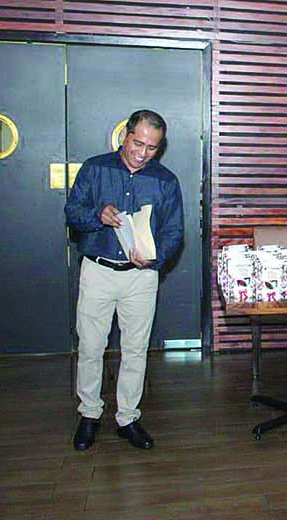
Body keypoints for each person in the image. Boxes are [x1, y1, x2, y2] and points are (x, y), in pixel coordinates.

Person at [65, 109, 184, 450]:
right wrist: (97, 215)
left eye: (152, 147)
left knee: (135, 350)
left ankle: (128, 418)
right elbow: (72, 212)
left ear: (160, 147)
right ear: (125, 136)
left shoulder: (165, 180)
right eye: (138, 143)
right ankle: (89, 414)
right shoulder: (95, 168)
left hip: (141, 277)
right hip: (98, 270)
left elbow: (174, 231)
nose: (142, 153)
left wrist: (155, 257)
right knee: (90, 347)